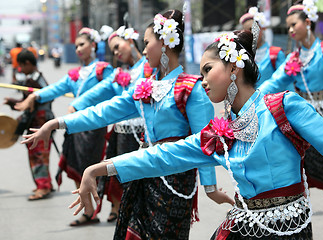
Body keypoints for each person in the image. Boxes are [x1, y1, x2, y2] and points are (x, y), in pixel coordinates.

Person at [60, 29, 323, 239]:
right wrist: (100, 169)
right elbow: (165, 155)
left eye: (207, 70)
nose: (202, 80)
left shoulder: (282, 107)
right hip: (244, 226)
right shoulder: (220, 133)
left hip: (287, 231)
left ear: (233, 68)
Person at [21, 10, 233, 239]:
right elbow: (102, 112)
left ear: (164, 43)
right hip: (141, 172)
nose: (142, 51)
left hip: (175, 182)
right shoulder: (144, 87)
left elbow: (204, 143)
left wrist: (210, 188)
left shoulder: (191, 89)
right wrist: (56, 123)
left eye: (146, 43)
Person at [258, 1, 323, 239]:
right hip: (300, 115)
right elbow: (274, 83)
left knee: (314, 163)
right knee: (300, 165)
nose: (291, 30)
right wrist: (251, 97)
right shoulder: (293, 58)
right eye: (288, 26)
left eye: (294, 25)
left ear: (308, 23)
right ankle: (302, 223)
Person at [15, 27, 113, 226]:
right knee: (77, 167)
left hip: (96, 125)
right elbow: (55, 89)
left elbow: (111, 93)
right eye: (76, 45)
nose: (78, 49)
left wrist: (78, 104)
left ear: (93, 46)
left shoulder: (103, 70)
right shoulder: (74, 74)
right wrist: (35, 95)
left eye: (82, 44)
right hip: (75, 125)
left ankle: (115, 209)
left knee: (98, 167)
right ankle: (89, 211)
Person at [69, 25, 150, 223]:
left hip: (145, 134)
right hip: (122, 131)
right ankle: (118, 208)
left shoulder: (148, 68)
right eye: (112, 50)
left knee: (141, 177)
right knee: (117, 173)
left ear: (130, 41)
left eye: (117, 46)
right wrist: (76, 106)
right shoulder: (120, 73)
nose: (116, 52)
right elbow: (100, 93)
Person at [4, 49, 54, 200]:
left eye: (21, 66)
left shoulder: (35, 80)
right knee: (40, 154)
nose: (20, 69)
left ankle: (43, 187)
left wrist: (16, 103)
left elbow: (43, 99)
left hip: (40, 122)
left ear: (27, 63)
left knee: (38, 154)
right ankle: (45, 183)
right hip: (39, 121)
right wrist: (13, 103)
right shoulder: (35, 78)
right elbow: (25, 103)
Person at [239, 7, 294, 90]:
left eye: (253, 29)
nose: (250, 34)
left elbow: (287, 84)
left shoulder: (275, 54)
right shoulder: (242, 57)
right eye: (246, 31)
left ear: (262, 28)